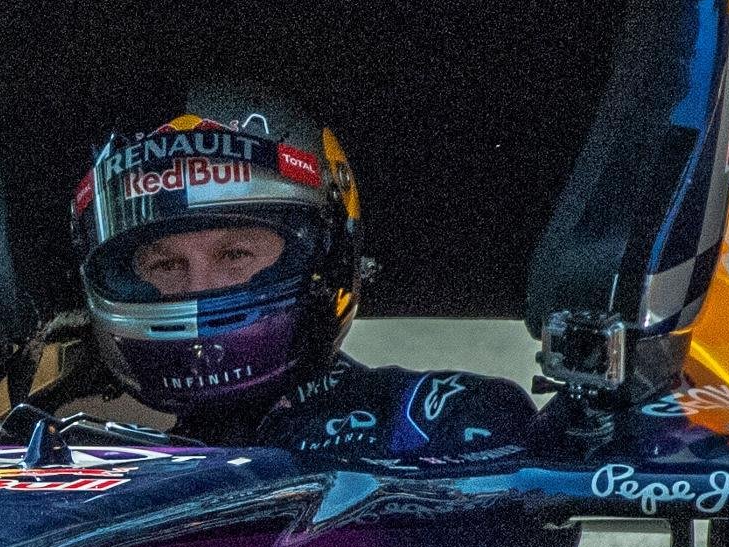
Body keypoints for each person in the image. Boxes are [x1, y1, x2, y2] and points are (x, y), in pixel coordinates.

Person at [73, 89, 533, 459]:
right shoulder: (77, 460)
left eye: (235, 254)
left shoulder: (439, 421)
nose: (199, 289)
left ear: (323, 256)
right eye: (165, 265)